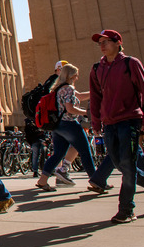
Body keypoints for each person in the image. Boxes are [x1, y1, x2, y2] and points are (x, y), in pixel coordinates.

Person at [88, 29, 144, 223]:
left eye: (106, 41)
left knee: (129, 165)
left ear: (117, 43)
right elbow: (96, 98)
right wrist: (95, 122)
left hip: (129, 121)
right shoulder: (97, 69)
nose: (102, 45)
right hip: (109, 123)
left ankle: (126, 209)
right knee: (119, 163)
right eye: (100, 42)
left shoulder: (131, 63)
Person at [34, 64, 98, 192]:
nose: (77, 77)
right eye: (76, 75)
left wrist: (95, 92)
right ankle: (96, 181)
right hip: (69, 123)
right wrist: (86, 112)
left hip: (57, 126)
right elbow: (70, 109)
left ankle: (42, 180)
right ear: (72, 75)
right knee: (85, 151)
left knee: (58, 154)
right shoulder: (68, 89)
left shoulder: (58, 89)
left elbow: (79, 96)